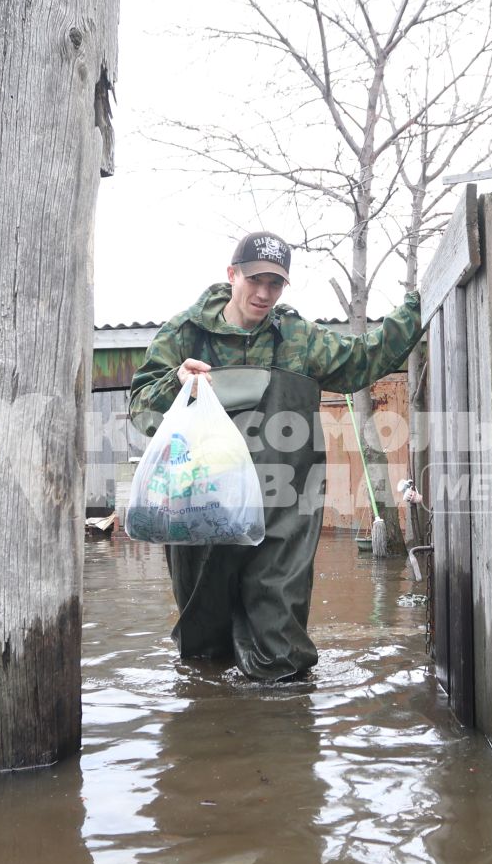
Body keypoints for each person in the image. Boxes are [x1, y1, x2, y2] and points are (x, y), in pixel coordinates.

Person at [128, 231, 424, 682]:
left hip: (282, 508)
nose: (264, 293)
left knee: (281, 644)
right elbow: (141, 404)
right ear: (232, 275)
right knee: (203, 648)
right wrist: (176, 382)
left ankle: (283, 733)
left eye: (276, 283)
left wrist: (413, 308)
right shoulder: (185, 334)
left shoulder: (298, 338)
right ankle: (210, 735)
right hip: (200, 510)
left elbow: (361, 361)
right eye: (255, 280)